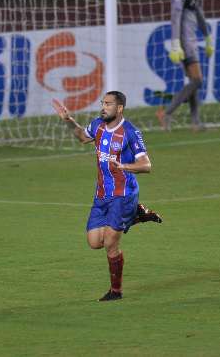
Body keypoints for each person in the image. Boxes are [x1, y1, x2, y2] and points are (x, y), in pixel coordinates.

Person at [52, 92, 163, 302]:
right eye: (102, 103)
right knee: (94, 242)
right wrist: (68, 120)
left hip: (123, 195)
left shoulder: (130, 133)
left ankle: (116, 291)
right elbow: (82, 137)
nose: (103, 107)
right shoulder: (97, 125)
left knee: (111, 243)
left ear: (119, 108)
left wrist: (125, 166)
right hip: (102, 194)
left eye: (108, 104)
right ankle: (136, 215)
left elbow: (147, 165)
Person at [156, 0, 214, 131]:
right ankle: (166, 113)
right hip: (183, 42)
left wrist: (208, 37)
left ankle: (195, 123)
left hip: (191, 41)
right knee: (197, 80)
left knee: (193, 83)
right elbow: (175, 16)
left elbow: (200, 16)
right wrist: (175, 43)